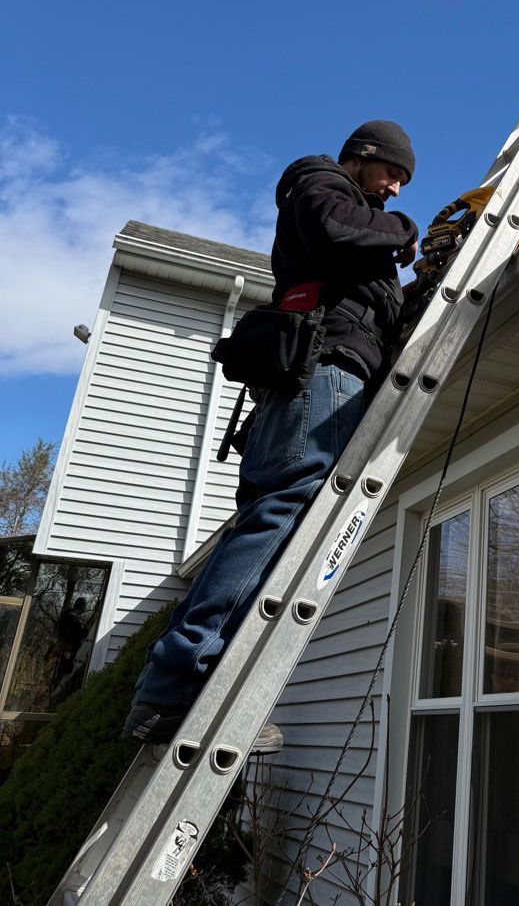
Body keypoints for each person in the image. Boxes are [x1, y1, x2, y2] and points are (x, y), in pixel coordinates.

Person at [123, 121, 418, 751]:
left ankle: (184, 683)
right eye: (393, 172)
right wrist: (407, 232)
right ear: (363, 158)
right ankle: (181, 684)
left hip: (309, 377)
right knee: (283, 514)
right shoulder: (321, 182)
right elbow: (339, 227)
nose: (395, 188)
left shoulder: (343, 228)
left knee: (266, 521)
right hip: (322, 375)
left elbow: (361, 286)